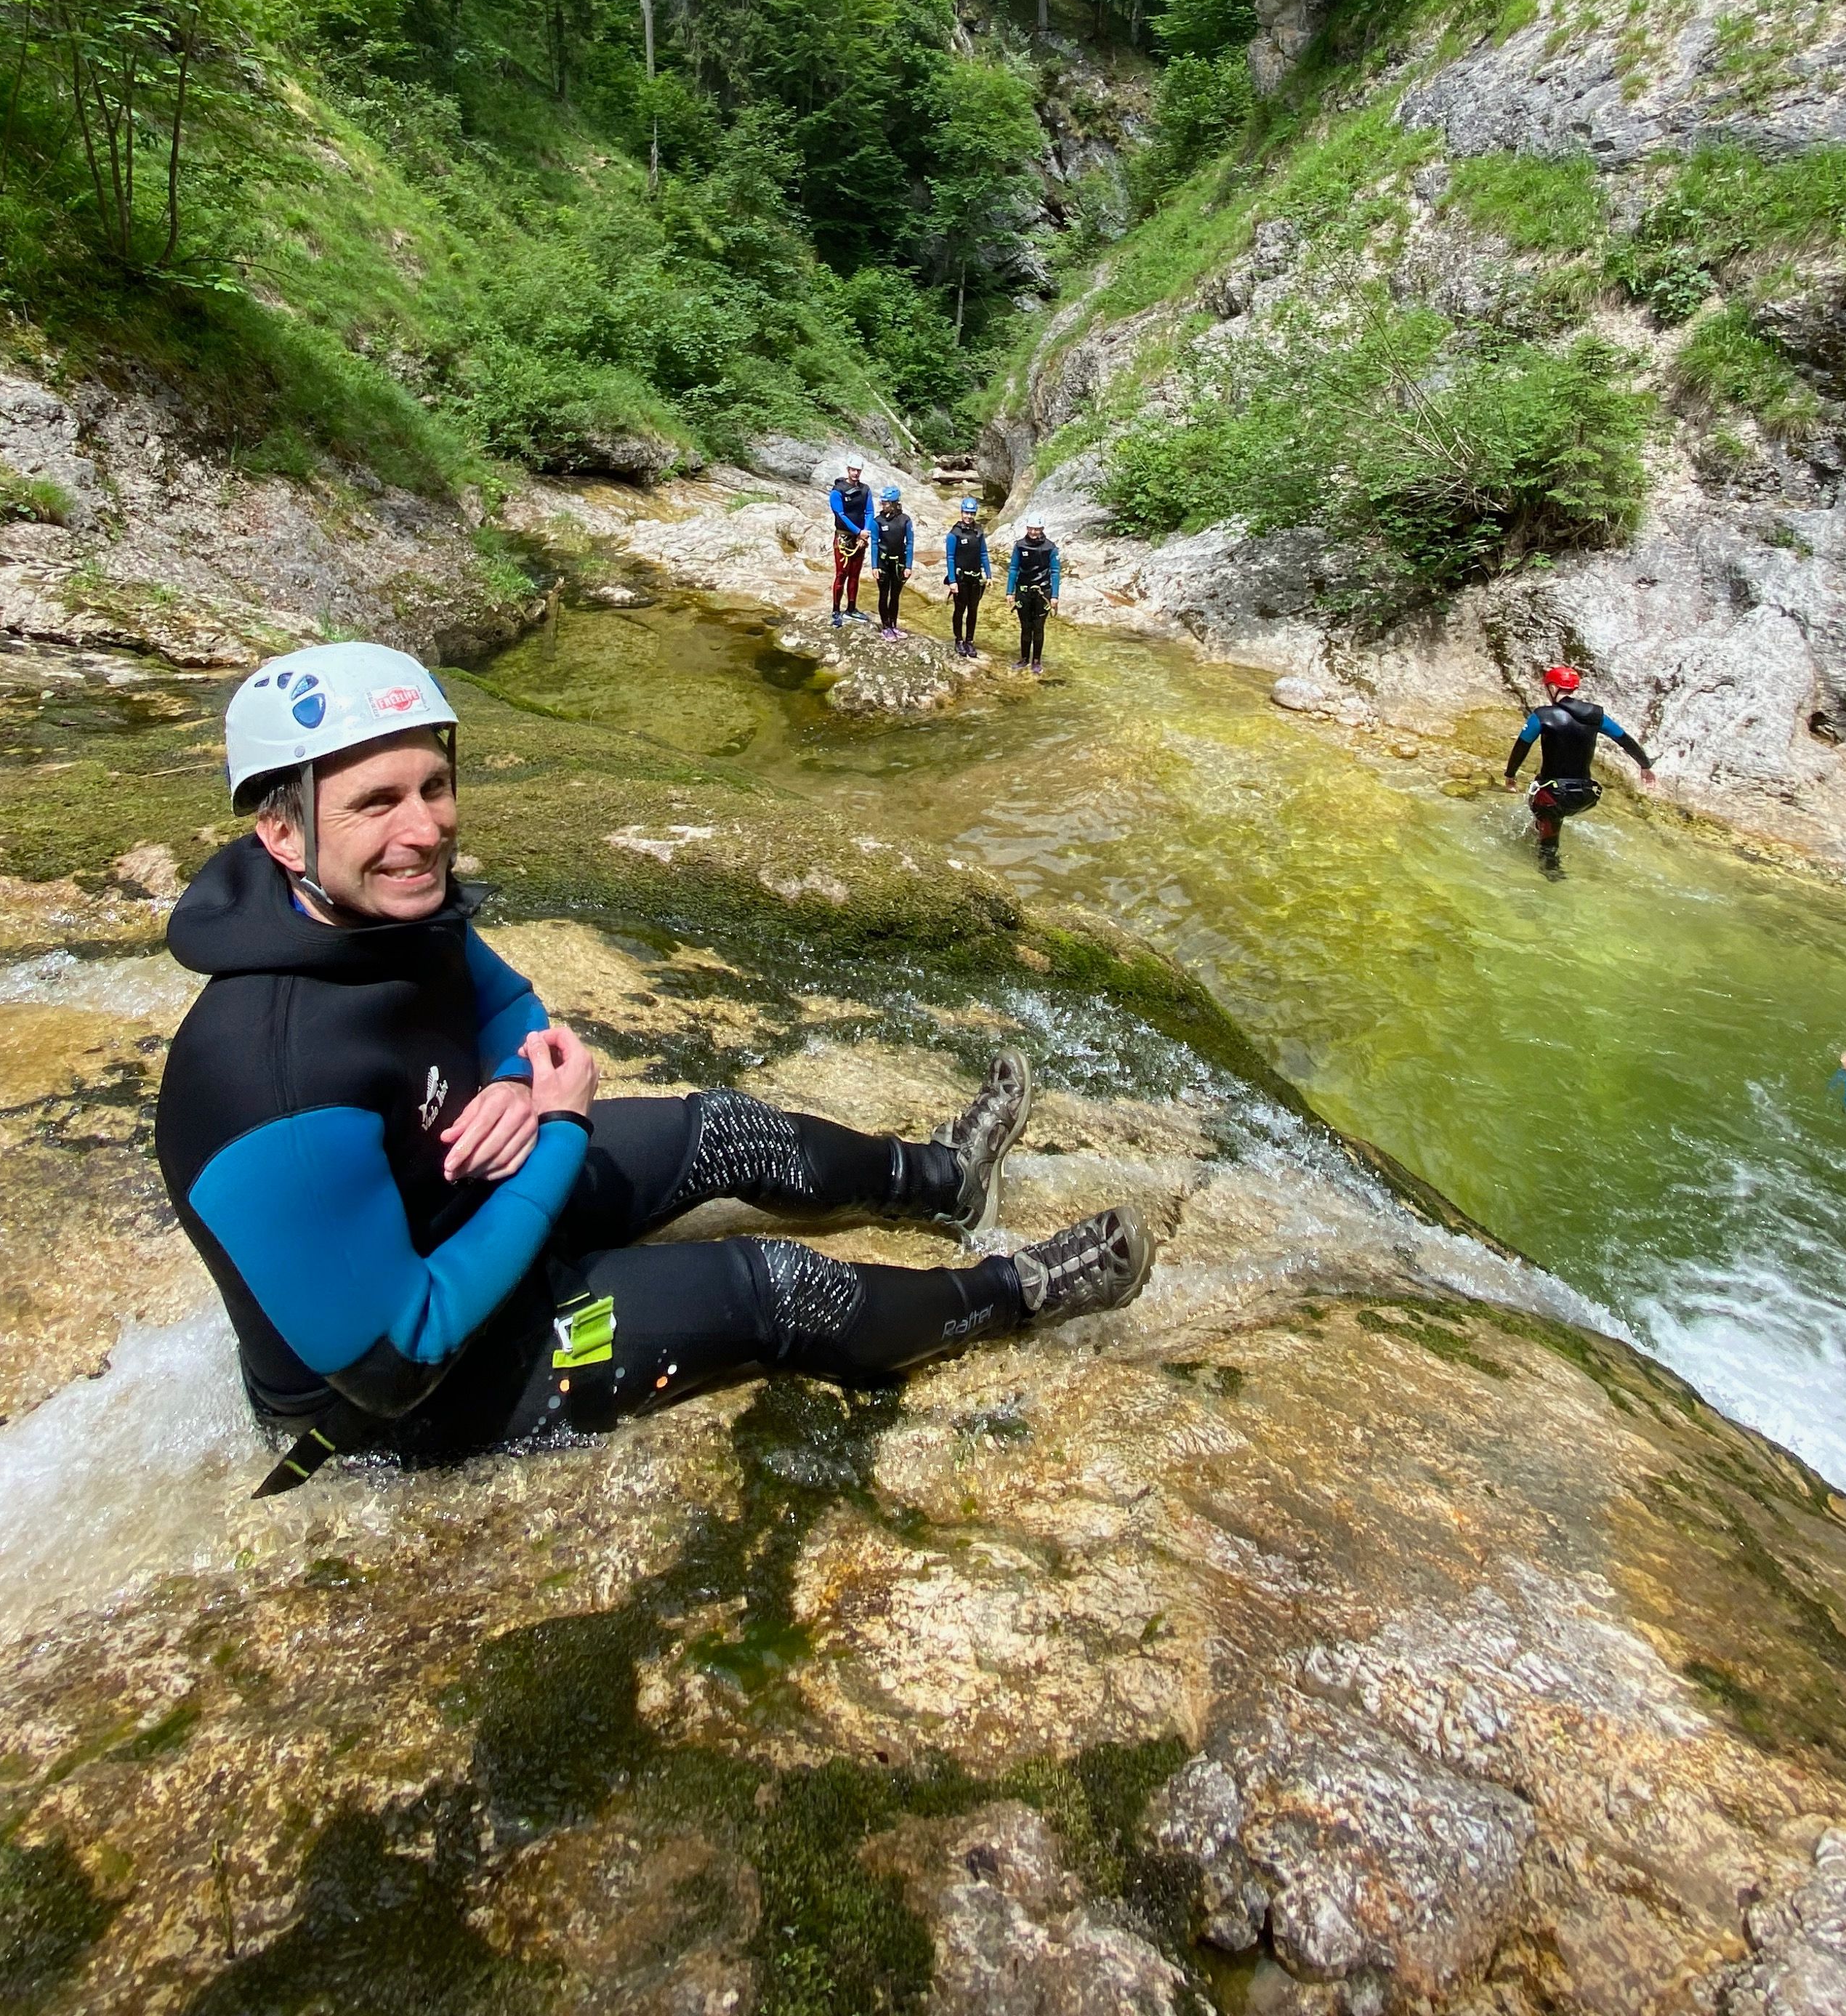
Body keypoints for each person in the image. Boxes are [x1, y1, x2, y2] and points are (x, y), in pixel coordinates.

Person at [156, 642, 1153, 1492]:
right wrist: (559, 1135)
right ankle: (1016, 1293)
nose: (424, 831)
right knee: (778, 1289)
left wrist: (511, 1081)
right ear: (282, 830)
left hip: (462, 1212)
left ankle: (945, 1181)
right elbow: (399, 1354)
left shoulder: (370, 912)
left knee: (726, 1129)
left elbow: (507, 1004)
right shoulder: (267, 1083)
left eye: (435, 787)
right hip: (403, 1396)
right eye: (377, 803)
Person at [1503, 664, 1655, 879]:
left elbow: (1522, 746)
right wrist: (1645, 765)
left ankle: (1551, 872)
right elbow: (1624, 739)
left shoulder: (1542, 716)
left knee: (1547, 841)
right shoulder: (1596, 715)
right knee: (1552, 809)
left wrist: (1510, 775)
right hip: (1585, 795)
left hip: (1553, 796)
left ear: (1553, 688)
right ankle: (1543, 830)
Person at [1007, 518, 1060, 672]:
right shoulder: (1020, 546)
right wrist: (1010, 592)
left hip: (1042, 593)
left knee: (1038, 627)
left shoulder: (1050, 548)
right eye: (1030, 528)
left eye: (1036, 529)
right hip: (1023, 592)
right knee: (1025, 627)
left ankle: (1036, 661)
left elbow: (1055, 572)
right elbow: (1014, 569)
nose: (1033, 532)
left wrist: (1055, 596)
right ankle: (1024, 659)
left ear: (1042, 529)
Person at [829, 460, 873, 624]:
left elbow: (869, 512)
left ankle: (851, 609)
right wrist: (858, 532)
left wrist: (865, 533)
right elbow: (840, 514)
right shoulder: (838, 491)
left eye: (858, 470)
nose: (856, 473)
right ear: (848, 470)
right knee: (842, 574)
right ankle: (836, 610)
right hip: (844, 537)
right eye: (853, 470)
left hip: (860, 538)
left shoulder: (865, 490)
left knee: (855, 574)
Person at [946, 497, 991, 656]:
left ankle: (970, 641)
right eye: (966, 513)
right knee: (960, 610)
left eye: (972, 513)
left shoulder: (979, 531)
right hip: (961, 579)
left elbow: (983, 553)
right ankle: (959, 640)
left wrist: (989, 575)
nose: (969, 516)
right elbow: (950, 558)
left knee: (973, 610)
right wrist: (952, 581)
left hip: (976, 579)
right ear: (961, 512)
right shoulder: (954, 534)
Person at [871, 484, 915, 639]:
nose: (883, 506)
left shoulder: (905, 520)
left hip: (899, 564)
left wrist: (908, 565)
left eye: (886, 503)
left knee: (895, 595)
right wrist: (874, 566)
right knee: (884, 594)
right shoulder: (878, 521)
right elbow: (874, 544)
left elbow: (910, 543)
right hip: (883, 563)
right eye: (882, 503)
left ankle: (893, 625)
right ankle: (885, 627)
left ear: (895, 503)